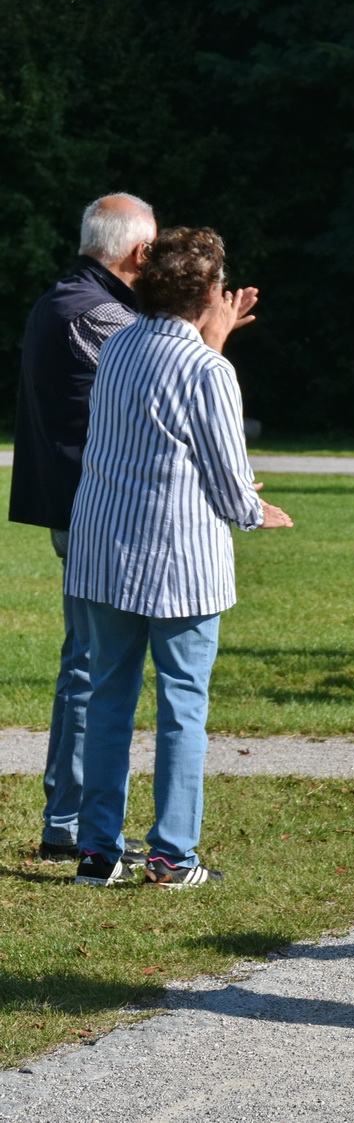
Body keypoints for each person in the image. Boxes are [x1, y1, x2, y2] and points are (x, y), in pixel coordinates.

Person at [65, 226, 291, 888]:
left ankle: (97, 850)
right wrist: (254, 509)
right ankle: (171, 854)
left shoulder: (120, 347)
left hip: (105, 548)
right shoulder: (206, 368)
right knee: (182, 705)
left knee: (107, 700)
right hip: (178, 560)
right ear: (208, 292)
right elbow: (227, 474)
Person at [9, 194, 157, 863]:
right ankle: (70, 821)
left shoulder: (59, 299)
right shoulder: (100, 312)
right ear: (135, 252)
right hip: (95, 512)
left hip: (73, 507)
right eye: (154, 249)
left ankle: (66, 817)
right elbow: (159, 387)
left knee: (87, 662)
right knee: (96, 667)